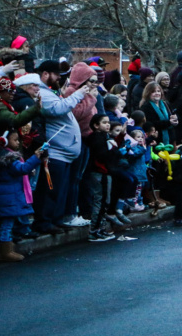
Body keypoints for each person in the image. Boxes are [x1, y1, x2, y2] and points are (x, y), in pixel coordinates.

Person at [32, 60, 91, 235]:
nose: (59, 78)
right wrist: (78, 94)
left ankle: (55, 219)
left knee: (59, 190)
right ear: (45, 74)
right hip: (55, 152)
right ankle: (44, 222)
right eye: (56, 74)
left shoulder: (51, 92)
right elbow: (58, 109)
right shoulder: (43, 94)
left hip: (65, 153)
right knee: (50, 190)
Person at [0, 128, 45, 261]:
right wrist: (36, 156)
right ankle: (5, 251)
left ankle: (6, 249)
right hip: (10, 195)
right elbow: (22, 168)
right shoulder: (9, 158)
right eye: (15, 140)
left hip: (8, 194)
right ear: (4, 141)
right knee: (7, 224)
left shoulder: (3, 156)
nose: (18, 143)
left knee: (8, 223)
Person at [62, 63, 99, 227]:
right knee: (74, 178)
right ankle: (70, 212)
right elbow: (77, 114)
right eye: (91, 80)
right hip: (76, 140)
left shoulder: (88, 93)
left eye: (96, 81)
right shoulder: (71, 92)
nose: (94, 84)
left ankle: (75, 210)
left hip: (87, 138)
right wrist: (91, 98)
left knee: (80, 177)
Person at [85, 114, 119, 242]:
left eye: (108, 122)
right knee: (101, 200)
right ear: (96, 125)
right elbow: (102, 156)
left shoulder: (105, 137)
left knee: (104, 200)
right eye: (104, 122)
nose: (108, 125)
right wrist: (115, 150)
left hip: (104, 172)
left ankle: (100, 228)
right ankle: (94, 231)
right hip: (100, 171)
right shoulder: (97, 138)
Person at [140, 81, 178, 145]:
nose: (157, 93)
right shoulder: (145, 106)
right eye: (153, 92)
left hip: (170, 138)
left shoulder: (166, 103)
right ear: (148, 93)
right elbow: (151, 123)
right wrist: (169, 122)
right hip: (156, 140)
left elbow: (172, 115)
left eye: (158, 91)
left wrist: (175, 119)